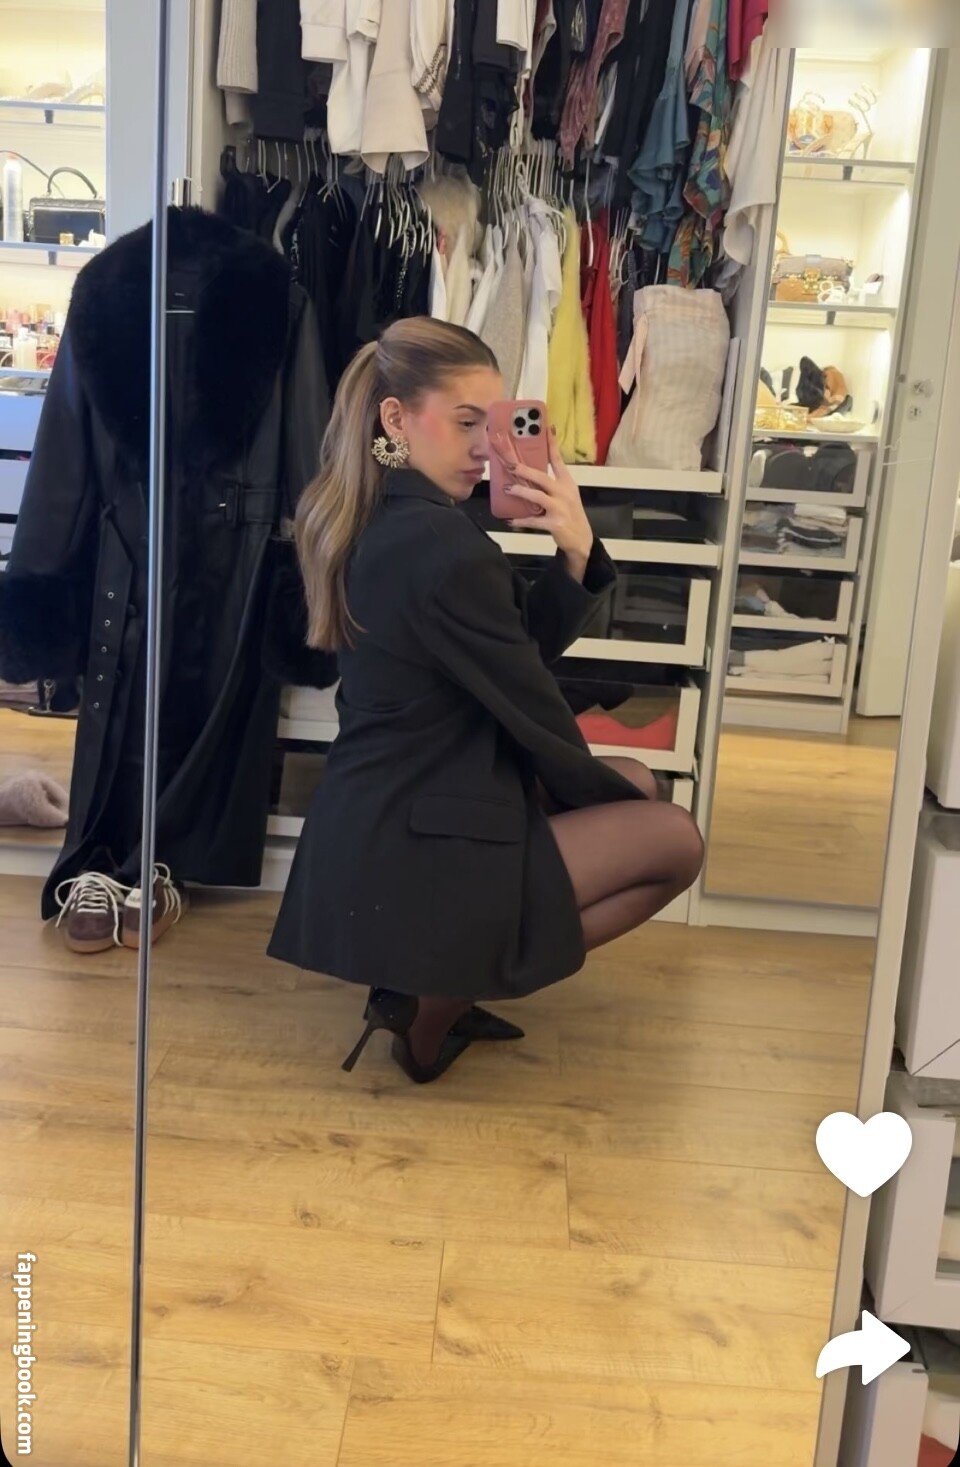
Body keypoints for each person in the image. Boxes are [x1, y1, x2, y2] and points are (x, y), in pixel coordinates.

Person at [267, 317, 704, 1083]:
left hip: (387, 809)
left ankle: (442, 967)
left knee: (637, 785)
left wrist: (574, 552)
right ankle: (436, 999)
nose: (486, 446)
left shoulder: (382, 514)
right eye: (466, 422)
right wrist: (594, 799)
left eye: (495, 422)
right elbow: (533, 707)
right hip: (424, 833)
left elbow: (507, 655)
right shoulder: (441, 545)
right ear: (396, 418)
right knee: (674, 839)